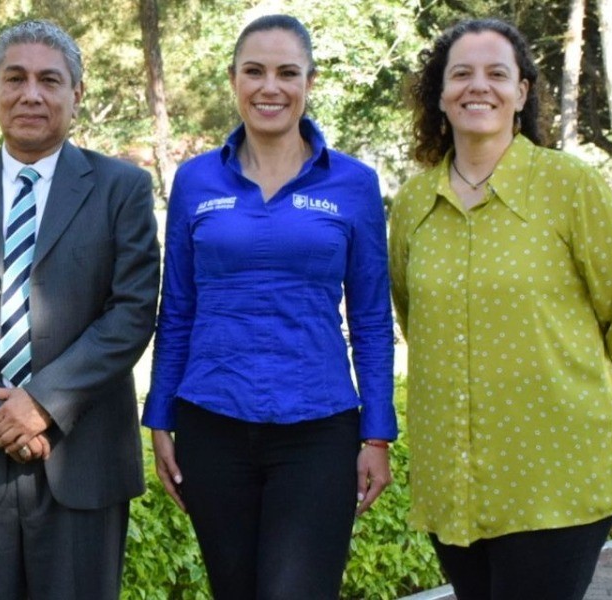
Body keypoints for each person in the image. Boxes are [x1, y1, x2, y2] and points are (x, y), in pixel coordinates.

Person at [389, 18, 612, 600]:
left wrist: (602, 402)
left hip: (555, 475)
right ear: (440, 93)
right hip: (452, 480)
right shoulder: (414, 201)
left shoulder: (569, 186)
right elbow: (413, 316)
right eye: (460, 73)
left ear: (522, 93)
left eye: (497, 74)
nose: (478, 86)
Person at [0, 19, 159, 600]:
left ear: (76, 94)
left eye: (50, 80)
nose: (31, 94)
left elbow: (133, 311)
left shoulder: (122, 189)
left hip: (83, 459)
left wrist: (41, 403)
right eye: (14, 79)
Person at [142, 14, 396, 599]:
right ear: (233, 79)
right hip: (212, 423)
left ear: (310, 81)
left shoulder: (353, 183)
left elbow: (372, 320)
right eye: (254, 72)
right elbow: (177, 308)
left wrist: (377, 435)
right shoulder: (196, 181)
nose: (270, 87)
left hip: (318, 429)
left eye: (287, 72)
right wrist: (160, 417)